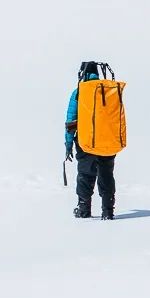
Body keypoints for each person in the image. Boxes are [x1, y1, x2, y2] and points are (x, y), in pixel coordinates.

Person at [65, 61, 116, 220]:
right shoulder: (108, 90)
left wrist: (68, 145)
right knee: (106, 174)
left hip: (85, 141)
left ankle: (83, 208)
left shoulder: (79, 92)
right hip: (107, 140)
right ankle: (108, 211)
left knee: (85, 174)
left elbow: (71, 120)